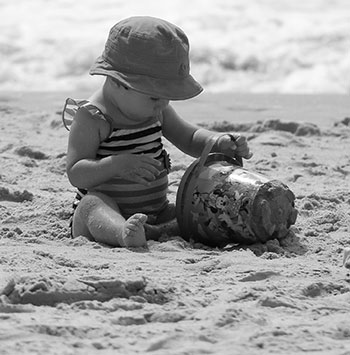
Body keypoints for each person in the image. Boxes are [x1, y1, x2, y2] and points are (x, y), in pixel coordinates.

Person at [62, 16, 252, 248]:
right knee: (93, 204)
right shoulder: (93, 117)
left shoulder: (157, 110)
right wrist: (118, 164)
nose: (163, 103)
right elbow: (76, 172)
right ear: (116, 81)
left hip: (155, 210)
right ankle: (122, 232)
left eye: (168, 95)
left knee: (191, 209)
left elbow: (189, 138)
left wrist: (219, 142)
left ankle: (153, 230)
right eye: (154, 95)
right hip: (101, 213)